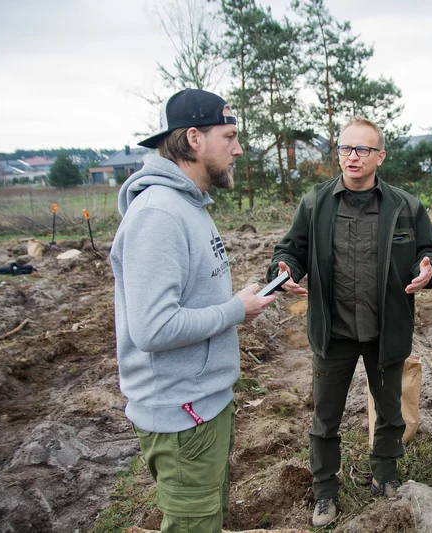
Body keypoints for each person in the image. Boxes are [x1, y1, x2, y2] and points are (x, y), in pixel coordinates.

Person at [266, 117, 432, 527]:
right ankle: (325, 492)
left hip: (386, 331)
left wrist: (429, 269)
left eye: (362, 149)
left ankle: (385, 475)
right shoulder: (315, 204)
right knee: (325, 418)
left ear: (379, 156)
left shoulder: (406, 206)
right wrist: (284, 271)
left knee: (390, 412)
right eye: (345, 148)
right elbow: (289, 251)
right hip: (335, 333)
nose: (351, 156)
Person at [110, 88, 277, 533]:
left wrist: (235, 303)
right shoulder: (159, 215)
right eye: (230, 137)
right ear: (193, 139)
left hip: (204, 404)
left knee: (209, 519)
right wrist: (234, 312)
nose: (239, 148)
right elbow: (152, 327)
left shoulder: (188, 205)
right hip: (181, 413)